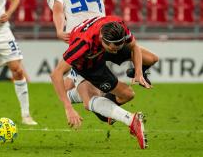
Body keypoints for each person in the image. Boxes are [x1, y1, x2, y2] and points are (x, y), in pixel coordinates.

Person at [43, 0, 158, 122]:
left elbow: (57, 9)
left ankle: (91, 100)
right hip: (98, 39)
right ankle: (81, 95)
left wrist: (59, 30)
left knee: (82, 92)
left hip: (94, 42)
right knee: (151, 59)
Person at [51, 15, 149, 149]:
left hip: (99, 53)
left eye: (118, 48)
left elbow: (134, 47)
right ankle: (130, 119)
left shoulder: (118, 25)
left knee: (129, 93)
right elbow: (56, 74)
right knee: (90, 101)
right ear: (103, 40)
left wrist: (138, 73)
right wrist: (68, 108)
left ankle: (91, 102)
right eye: (113, 48)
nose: (116, 51)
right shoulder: (82, 45)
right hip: (87, 65)